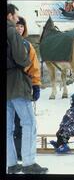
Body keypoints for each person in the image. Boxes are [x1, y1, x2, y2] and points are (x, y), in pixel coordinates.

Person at [7, 4, 48, 174]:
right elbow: (23, 59)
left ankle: (11, 163)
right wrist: (25, 63)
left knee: (8, 127)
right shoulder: (11, 32)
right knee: (29, 122)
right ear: (9, 15)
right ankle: (28, 163)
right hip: (17, 83)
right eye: (16, 16)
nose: (17, 19)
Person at [13, 16, 42, 162]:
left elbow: (34, 67)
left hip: (23, 87)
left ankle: (20, 154)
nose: (19, 28)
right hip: (13, 88)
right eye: (17, 25)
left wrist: (36, 85)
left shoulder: (27, 45)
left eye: (22, 26)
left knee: (22, 122)